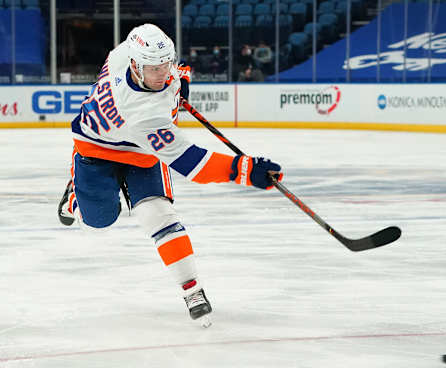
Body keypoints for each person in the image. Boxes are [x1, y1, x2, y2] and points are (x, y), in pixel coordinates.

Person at [57, 24, 283, 327]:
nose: (163, 73)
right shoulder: (142, 113)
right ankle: (76, 193)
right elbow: (194, 165)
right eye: (155, 69)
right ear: (136, 66)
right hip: (96, 150)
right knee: (98, 222)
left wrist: (179, 78)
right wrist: (245, 169)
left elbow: (170, 71)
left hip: (144, 154)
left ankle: (192, 288)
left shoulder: (125, 52)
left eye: (167, 65)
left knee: (157, 214)